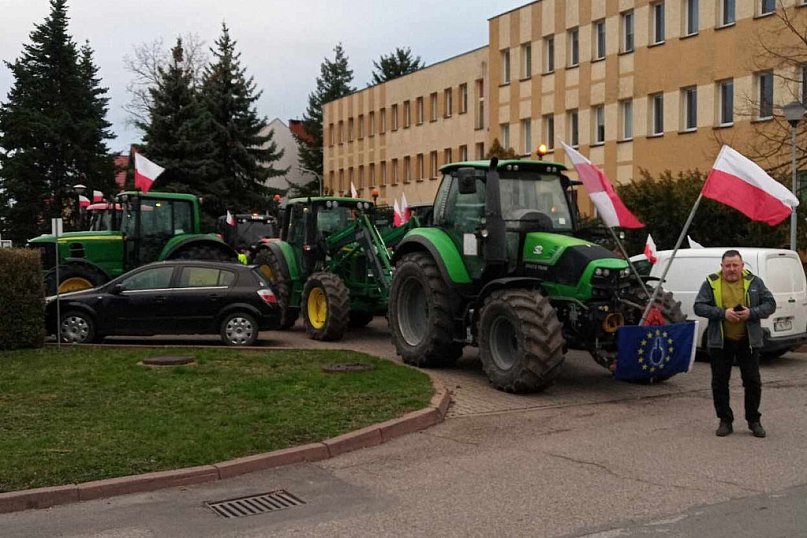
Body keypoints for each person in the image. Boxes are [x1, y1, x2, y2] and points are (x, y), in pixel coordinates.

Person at [694, 250, 775, 438]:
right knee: (720, 382)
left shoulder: (755, 282)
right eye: (728, 265)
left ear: (742, 266)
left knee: (753, 381)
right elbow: (698, 306)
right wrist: (723, 313)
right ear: (722, 266)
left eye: (735, 265)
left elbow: (770, 304)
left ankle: (754, 420)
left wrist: (751, 313)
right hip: (720, 342)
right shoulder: (711, 282)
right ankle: (725, 420)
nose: (731, 269)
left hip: (748, 340)